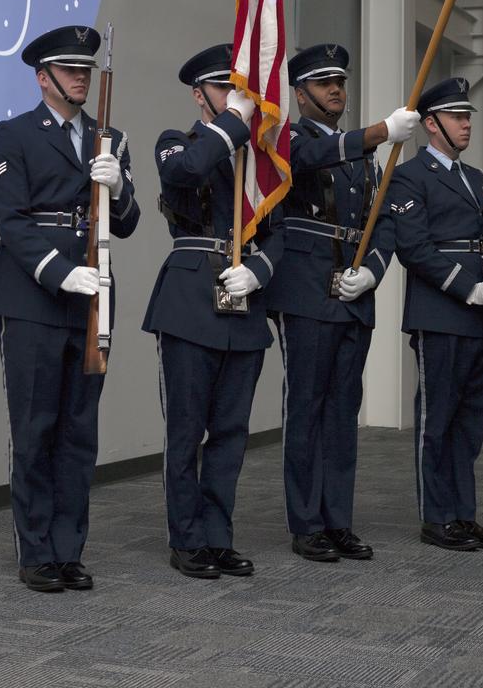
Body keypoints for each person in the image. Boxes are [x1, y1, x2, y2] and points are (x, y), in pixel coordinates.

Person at [0, 25, 139, 592]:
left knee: (78, 431)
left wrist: (119, 188)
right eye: (69, 69)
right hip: (33, 297)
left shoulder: (109, 139)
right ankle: (37, 552)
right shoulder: (15, 135)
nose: (81, 77)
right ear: (42, 77)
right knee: (36, 428)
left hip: (93, 295)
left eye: (86, 69)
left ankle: (70, 550)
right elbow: (11, 220)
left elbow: (128, 222)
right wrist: (58, 270)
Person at [266, 43, 421, 562]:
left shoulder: (364, 157)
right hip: (306, 287)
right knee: (306, 406)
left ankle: (338, 521)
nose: (336, 89)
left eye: (340, 81)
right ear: (299, 93)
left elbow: (381, 223)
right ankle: (306, 522)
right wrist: (380, 130)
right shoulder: (286, 138)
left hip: (352, 292)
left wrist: (373, 272)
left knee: (341, 412)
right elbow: (307, 161)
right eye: (322, 82)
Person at [143, 43, 283, 580]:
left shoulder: (258, 164)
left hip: (242, 301)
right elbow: (195, 166)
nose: (238, 99)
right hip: (189, 303)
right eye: (226, 88)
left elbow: (281, 233)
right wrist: (236, 121)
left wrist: (261, 270)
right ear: (200, 95)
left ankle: (218, 536)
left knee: (231, 431)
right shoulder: (176, 143)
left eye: (242, 90)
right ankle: (187, 537)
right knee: (186, 430)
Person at [379, 76, 483, 552]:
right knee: (436, 421)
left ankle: (463, 513)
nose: (467, 124)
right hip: (440, 311)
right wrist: (468, 288)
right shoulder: (408, 176)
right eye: (458, 117)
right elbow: (414, 249)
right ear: (432, 124)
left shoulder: (478, 178)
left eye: (469, 117)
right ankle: (436, 518)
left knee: (470, 421)